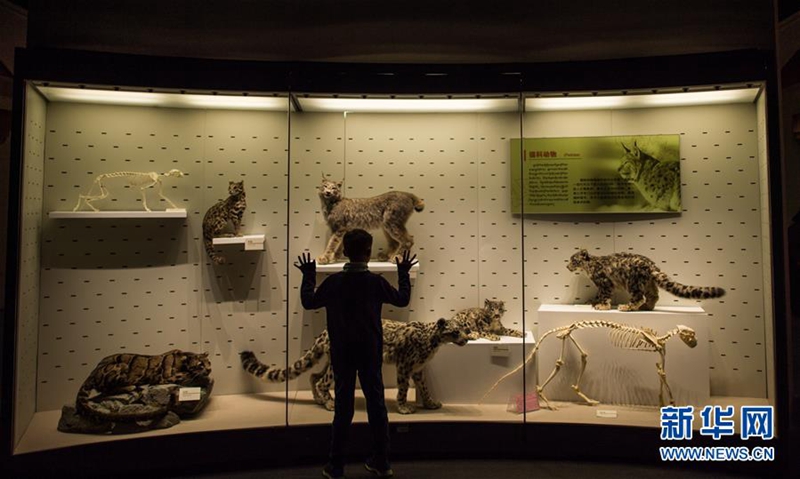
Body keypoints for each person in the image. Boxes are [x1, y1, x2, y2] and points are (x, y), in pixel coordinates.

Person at [295, 229, 417, 479]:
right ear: (369, 252)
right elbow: (402, 299)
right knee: (376, 405)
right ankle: (382, 462)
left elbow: (309, 301)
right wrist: (403, 273)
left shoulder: (334, 283)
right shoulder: (375, 282)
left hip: (342, 351)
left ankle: (336, 465)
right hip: (370, 351)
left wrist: (308, 275)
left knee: (343, 408)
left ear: (345, 251)